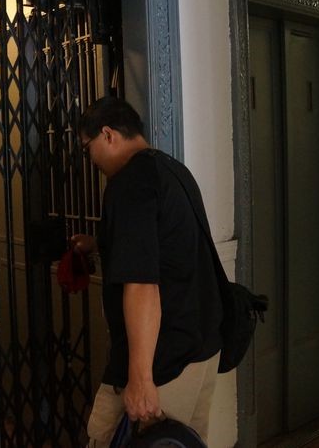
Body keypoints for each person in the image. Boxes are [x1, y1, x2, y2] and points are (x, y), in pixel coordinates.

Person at [72, 97, 223, 446]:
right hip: (201, 344)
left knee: (108, 437)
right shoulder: (172, 170)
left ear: (107, 134)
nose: (90, 159)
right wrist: (99, 243)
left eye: (87, 147)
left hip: (164, 360)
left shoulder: (130, 183)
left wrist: (140, 378)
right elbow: (166, 247)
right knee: (185, 441)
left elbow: (142, 283)